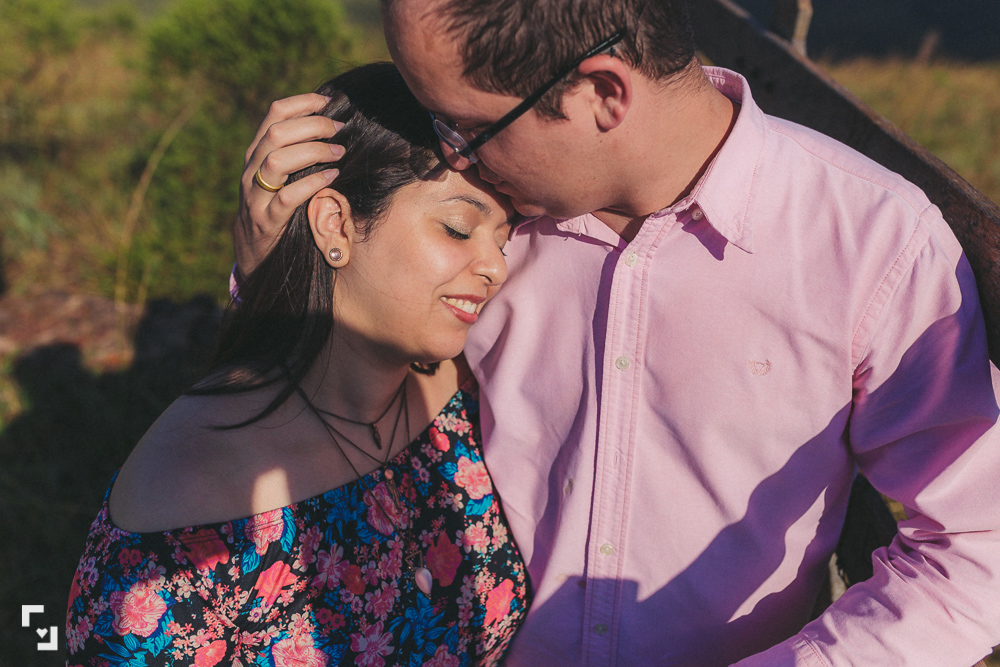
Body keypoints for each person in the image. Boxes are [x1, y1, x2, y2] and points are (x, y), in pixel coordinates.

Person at [233, 1, 1000, 665]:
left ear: (604, 93)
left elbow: (974, 550)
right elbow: (343, 398)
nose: (451, 153)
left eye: (468, 126)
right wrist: (276, 270)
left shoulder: (871, 244)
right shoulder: (471, 219)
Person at [65, 63, 530, 667]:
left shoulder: (457, 392)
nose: (495, 267)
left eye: (505, 236)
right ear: (335, 223)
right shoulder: (190, 505)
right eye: (458, 227)